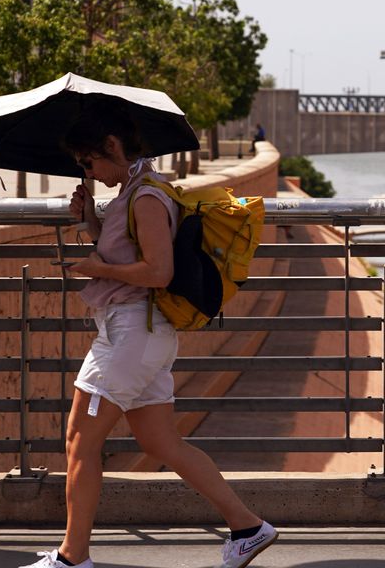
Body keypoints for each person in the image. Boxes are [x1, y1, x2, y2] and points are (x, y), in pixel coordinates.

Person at [20, 104, 276, 568]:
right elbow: (128, 251)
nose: (90, 171)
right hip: (142, 334)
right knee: (161, 443)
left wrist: (96, 267)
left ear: (112, 146)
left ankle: (71, 558)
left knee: (80, 439)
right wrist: (90, 221)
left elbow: (159, 271)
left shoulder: (146, 198)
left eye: (90, 161)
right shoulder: (137, 189)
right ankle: (248, 527)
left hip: (131, 334)